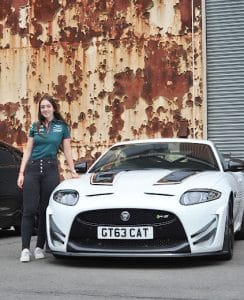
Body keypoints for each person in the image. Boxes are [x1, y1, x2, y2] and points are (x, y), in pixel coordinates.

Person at [17, 94, 79, 262]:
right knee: (29, 209)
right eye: (42, 107)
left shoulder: (62, 127)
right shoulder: (35, 126)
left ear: (53, 108)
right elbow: (28, 150)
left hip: (51, 169)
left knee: (45, 209)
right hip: (33, 169)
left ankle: (39, 246)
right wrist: (21, 173)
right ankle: (24, 249)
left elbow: (66, 151)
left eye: (47, 106)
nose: (45, 109)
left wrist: (73, 171)